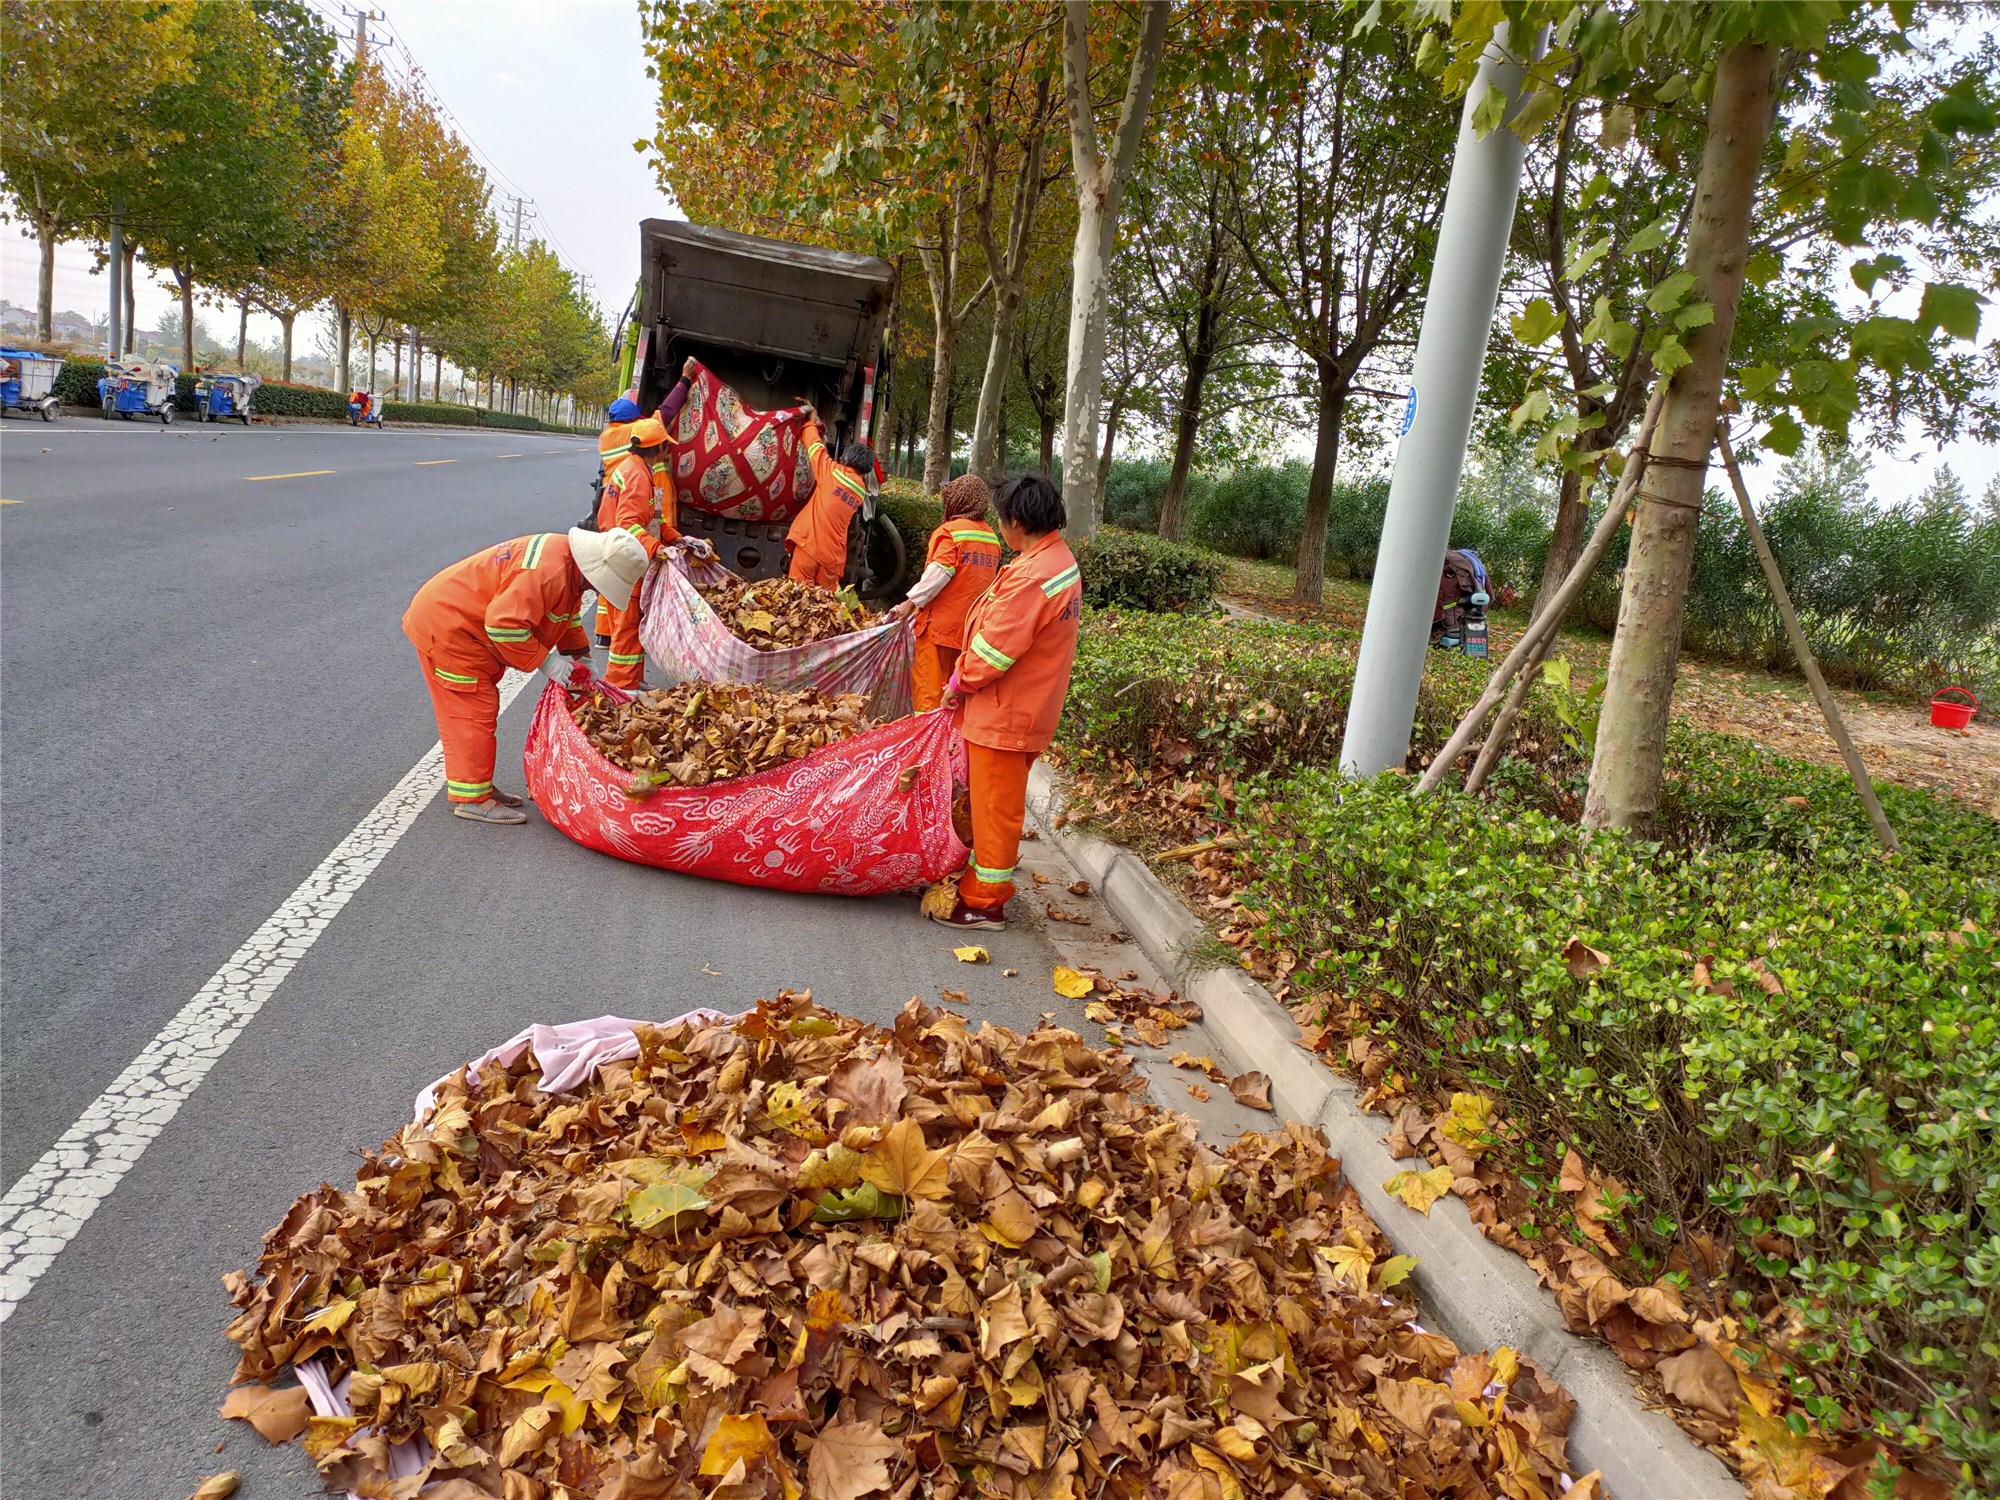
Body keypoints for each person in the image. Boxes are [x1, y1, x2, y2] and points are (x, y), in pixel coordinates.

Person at [403, 527, 648, 825]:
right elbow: (503, 625)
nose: (598, 591)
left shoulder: (567, 566)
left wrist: (580, 655)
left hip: (461, 624)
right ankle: (472, 799)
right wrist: (548, 662)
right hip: (450, 628)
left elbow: (563, 617)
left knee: (478, 706)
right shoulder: (548, 573)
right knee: (472, 709)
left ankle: (478, 785)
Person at [931, 473, 1082, 930]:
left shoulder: (1036, 575)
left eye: (1000, 519)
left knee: (995, 810)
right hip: (1020, 707)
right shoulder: (1050, 560)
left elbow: (995, 649)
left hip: (1006, 712)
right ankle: (980, 882)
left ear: (1016, 520)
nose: (998, 527)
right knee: (992, 804)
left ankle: (984, 902)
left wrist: (958, 682)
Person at [889, 473, 1000, 712]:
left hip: (938, 630)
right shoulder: (992, 538)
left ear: (959, 500)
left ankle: (925, 736)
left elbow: (939, 574)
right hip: (968, 633)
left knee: (928, 696)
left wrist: (909, 604)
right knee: (952, 696)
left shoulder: (950, 532)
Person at [595, 415, 681, 688]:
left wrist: (676, 538)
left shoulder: (636, 468)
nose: (668, 452)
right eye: (666, 446)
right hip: (624, 561)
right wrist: (657, 548)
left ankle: (632, 681)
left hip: (622, 556)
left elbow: (651, 518)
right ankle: (622, 688)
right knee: (628, 629)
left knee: (630, 627)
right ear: (657, 448)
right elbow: (628, 523)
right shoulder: (637, 475)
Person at [785, 408, 873, 590]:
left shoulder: (832, 474)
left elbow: (814, 447)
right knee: (823, 604)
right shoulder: (860, 491)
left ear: (846, 458)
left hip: (810, 547)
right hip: (832, 560)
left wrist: (810, 422)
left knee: (797, 596)